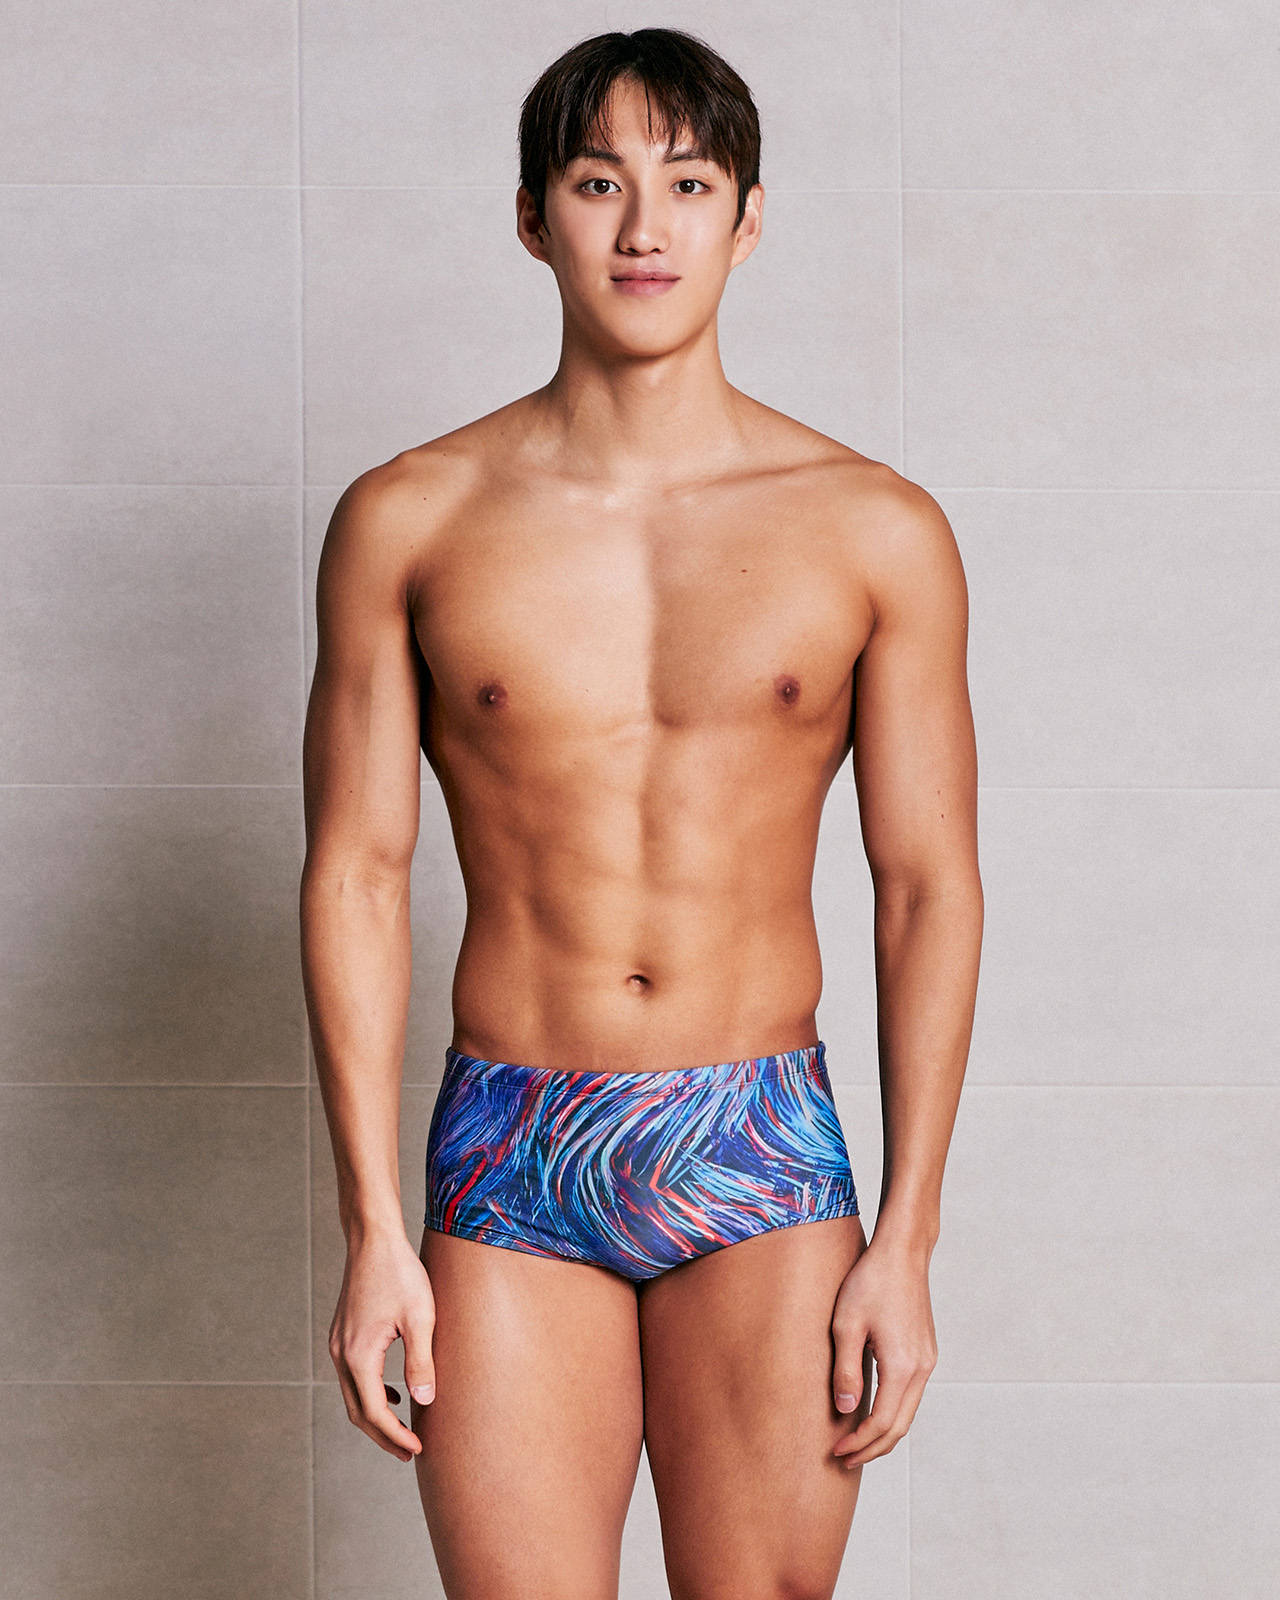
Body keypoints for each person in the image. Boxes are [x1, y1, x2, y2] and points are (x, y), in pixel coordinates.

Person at [300, 27, 982, 1600]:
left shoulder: (875, 529)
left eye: (687, 185)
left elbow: (927, 886)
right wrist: (373, 1227)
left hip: (758, 1149)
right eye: (599, 184)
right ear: (532, 217)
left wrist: (909, 1238)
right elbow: (357, 874)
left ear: (749, 219)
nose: (643, 228)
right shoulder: (411, 518)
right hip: (512, 1148)